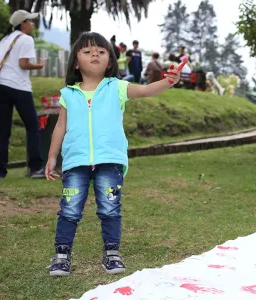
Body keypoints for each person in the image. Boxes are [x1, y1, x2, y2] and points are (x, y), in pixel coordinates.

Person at [44, 32, 181, 277]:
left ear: (110, 62)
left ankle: (112, 253)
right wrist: (52, 157)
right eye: (87, 51)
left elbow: (147, 90)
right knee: (70, 209)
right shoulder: (68, 94)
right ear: (76, 63)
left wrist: (169, 82)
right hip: (75, 163)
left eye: (101, 51)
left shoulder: (117, 87)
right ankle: (61, 255)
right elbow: (60, 127)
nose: (94, 53)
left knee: (110, 207)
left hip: (111, 163)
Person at [0, 10, 45, 180]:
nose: (33, 24)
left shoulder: (3, 41)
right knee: (32, 126)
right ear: (23, 23)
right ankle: (35, 168)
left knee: (3, 132)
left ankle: (0, 172)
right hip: (20, 88)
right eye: (30, 21)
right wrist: (39, 66)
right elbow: (23, 64)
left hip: (1, 88)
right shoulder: (26, 39)